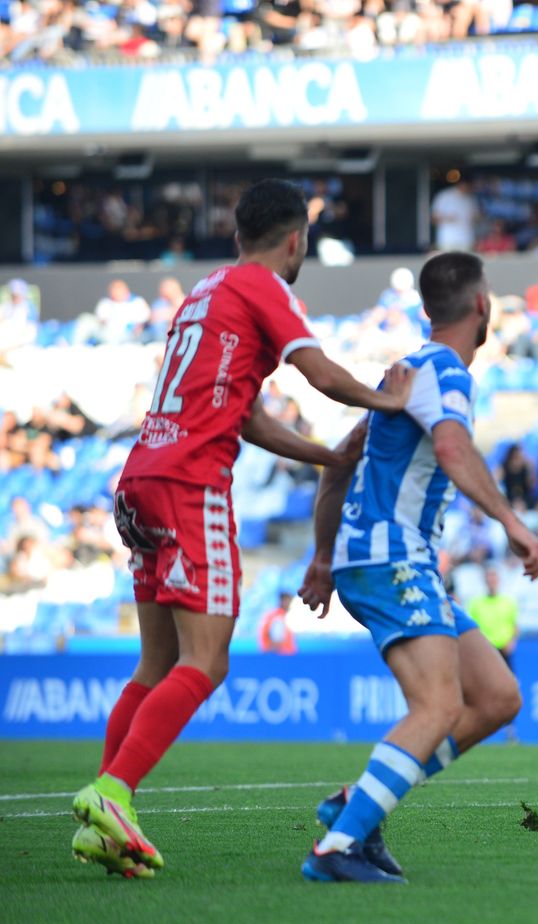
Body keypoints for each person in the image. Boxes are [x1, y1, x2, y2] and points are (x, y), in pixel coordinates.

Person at [70, 179, 417, 880]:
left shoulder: (206, 294)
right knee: (208, 660)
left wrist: (324, 454)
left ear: (237, 234)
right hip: (191, 483)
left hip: (142, 476)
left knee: (157, 663)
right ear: (296, 242)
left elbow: (245, 415)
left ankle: (107, 817)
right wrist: (387, 400)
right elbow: (317, 372)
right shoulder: (265, 287)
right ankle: (111, 791)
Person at [298, 251, 538, 883]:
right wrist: (512, 522)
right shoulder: (446, 373)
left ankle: (358, 805)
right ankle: (338, 849)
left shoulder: (403, 377)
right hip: (392, 556)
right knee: (438, 704)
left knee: (495, 697)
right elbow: (452, 447)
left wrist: (325, 556)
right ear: (482, 306)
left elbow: (340, 459)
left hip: (379, 557)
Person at [467, 567, 520, 667]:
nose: (491, 580)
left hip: (504, 650)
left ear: (498, 579)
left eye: (493, 577)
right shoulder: (475, 603)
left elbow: (515, 626)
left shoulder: (508, 602)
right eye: (489, 577)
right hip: (484, 650)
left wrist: (511, 643)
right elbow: (470, 628)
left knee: (507, 681)